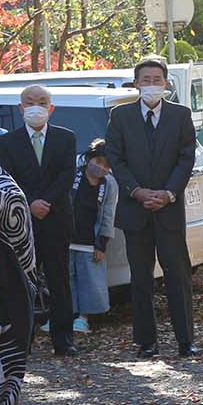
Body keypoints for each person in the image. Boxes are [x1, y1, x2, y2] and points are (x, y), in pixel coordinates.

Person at [105, 57, 199, 359]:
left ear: (166, 83)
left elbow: (186, 158)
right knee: (141, 277)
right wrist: (136, 191)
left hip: (169, 209)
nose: (151, 85)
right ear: (135, 84)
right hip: (136, 209)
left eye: (156, 79)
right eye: (145, 80)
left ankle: (186, 340)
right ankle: (146, 341)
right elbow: (115, 158)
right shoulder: (121, 116)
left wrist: (169, 193)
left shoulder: (180, 115)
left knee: (177, 275)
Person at [0, 84, 78, 356]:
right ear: (21, 108)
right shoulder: (6, 142)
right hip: (22, 222)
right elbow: (7, 177)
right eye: (30, 102)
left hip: (57, 219)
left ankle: (63, 339)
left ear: (50, 108)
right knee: (21, 282)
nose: (36, 107)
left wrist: (47, 202)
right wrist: (30, 202)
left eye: (42, 102)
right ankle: (22, 339)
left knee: (59, 280)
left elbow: (66, 175)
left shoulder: (66, 138)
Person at [69, 140, 119, 331]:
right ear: (89, 158)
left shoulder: (109, 184)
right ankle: (67, 314)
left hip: (90, 239)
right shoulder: (74, 174)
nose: (101, 167)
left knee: (88, 279)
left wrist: (102, 244)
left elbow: (108, 215)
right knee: (66, 277)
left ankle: (83, 317)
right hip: (67, 235)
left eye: (106, 165)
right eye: (98, 161)